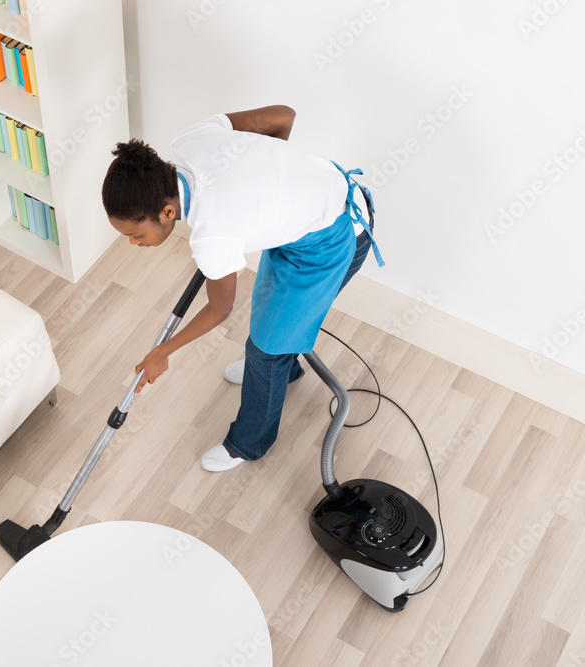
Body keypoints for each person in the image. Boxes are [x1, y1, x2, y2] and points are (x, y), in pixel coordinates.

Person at [101, 105, 383, 472]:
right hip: (306, 220)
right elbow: (283, 116)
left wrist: (163, 351)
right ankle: (285, 373)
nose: (134, 243)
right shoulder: (188, 143)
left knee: (266, 350)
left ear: (168, 213)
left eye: (136, 234)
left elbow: (220, 310)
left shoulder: (212, 232)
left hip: (335, 238)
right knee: (271, 320)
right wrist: (270, 188)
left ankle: (249, 443)